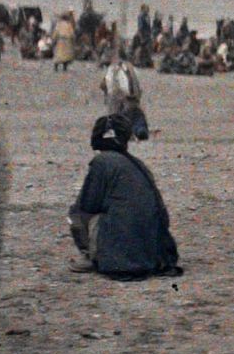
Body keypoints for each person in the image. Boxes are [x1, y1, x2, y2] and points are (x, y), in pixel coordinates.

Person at [68, 113, 181, 278]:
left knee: (76, 211)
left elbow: (88, 205)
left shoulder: (102, 162)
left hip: (120, 259)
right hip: (157, 255)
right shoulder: (137, 164)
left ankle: (90, 256)